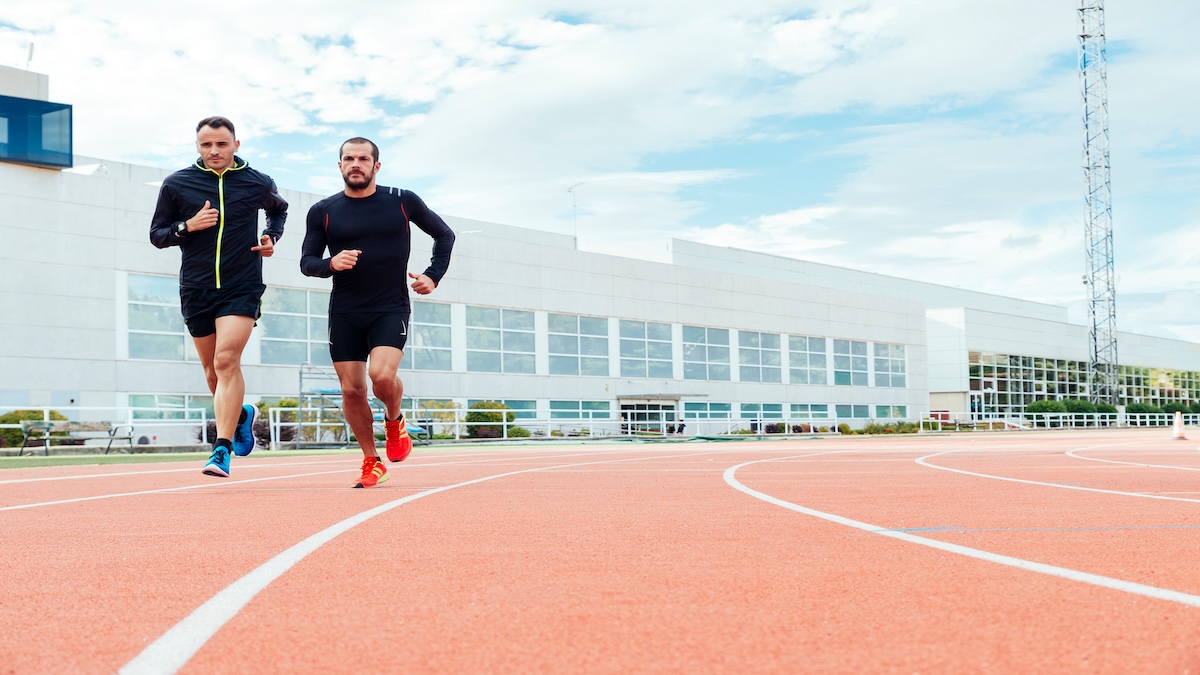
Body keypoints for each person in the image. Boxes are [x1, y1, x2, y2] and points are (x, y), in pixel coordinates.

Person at [300, 137, 455, 488]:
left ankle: (394, 419)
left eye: (363, 159)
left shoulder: (402, 201)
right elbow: (307, 262)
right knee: (352, 390)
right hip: (345, 310)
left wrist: (433, 275)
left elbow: (444, 235)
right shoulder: (323, 211)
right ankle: (372, 460)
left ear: (376, 166)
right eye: (349, 158)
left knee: (381, 377)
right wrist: (330, 264)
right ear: (340, 165)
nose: (356, 164)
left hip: (390, 305)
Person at [150, 116, 288, 478]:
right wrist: (186, 226)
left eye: (221, 144)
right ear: (197, 146)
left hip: (241, 284)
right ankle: (240, 413)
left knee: (227, 361)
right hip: (195, 288)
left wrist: (271, 236)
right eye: (207, 144)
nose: (214, 151)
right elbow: (157, 234)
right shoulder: (177, 184)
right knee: (212, 373)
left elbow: (279, 209)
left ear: (236, 146)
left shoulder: (257, 182)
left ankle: (220, 450)